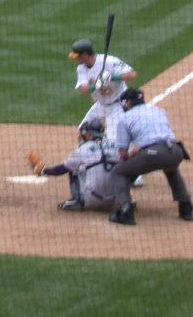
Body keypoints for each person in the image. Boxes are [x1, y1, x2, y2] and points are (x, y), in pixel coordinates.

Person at [109, 88, 193, 226]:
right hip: (175, 151)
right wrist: (142, 148)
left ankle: (126, 211)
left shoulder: (124, 118)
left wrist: (133, 156)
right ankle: (186, 208)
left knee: (118, 172)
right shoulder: (159, 111)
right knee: (171, 169)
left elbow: (122, 154)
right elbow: (158, 135)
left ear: (128, 102)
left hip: (151, 155)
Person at [68, 38, 144, 187]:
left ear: (85, 54)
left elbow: (132, 74)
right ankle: (93, 162)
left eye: (77, 56)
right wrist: (96, 85)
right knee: (83, 129)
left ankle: (135, 175)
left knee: (116, 141)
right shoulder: (81, 67)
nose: (75, 59)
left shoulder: (110, 61)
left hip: (117, 105)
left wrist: (113, 77)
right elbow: (84, 89)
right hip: (100, 104)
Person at [26, 119, 120, 211]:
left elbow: (63, 169)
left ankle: (77, 200)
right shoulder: (116, 145)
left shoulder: (83, 149)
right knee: (122, 166)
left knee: (75, 167)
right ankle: (126, 201)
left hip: (94, 198)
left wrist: (43, 170)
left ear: (89, 134)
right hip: (117, 198)